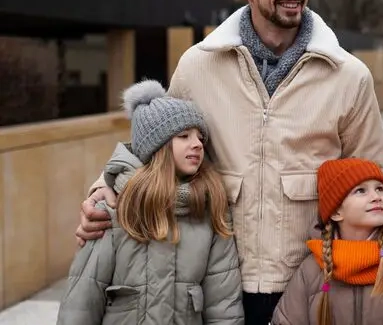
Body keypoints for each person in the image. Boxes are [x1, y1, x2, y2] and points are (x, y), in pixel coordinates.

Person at [75, 0, 383, 324]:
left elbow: (374, 175)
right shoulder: (199, 64)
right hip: (215, 279)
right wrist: (103, 187)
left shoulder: (348, 74)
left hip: (311, 278)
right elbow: (155, 146)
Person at [57, 80, 244, 325]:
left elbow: (223, 303)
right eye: (184, 136)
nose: (198, 144)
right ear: (159, 146)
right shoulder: (114, 210)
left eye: (200, 137)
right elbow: (81, 302)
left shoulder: (210, 208)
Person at [271, 158, 383, 325]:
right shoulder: (311, 271)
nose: (376, 196)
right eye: (361, 190)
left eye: (379, 188)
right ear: (336, 212)